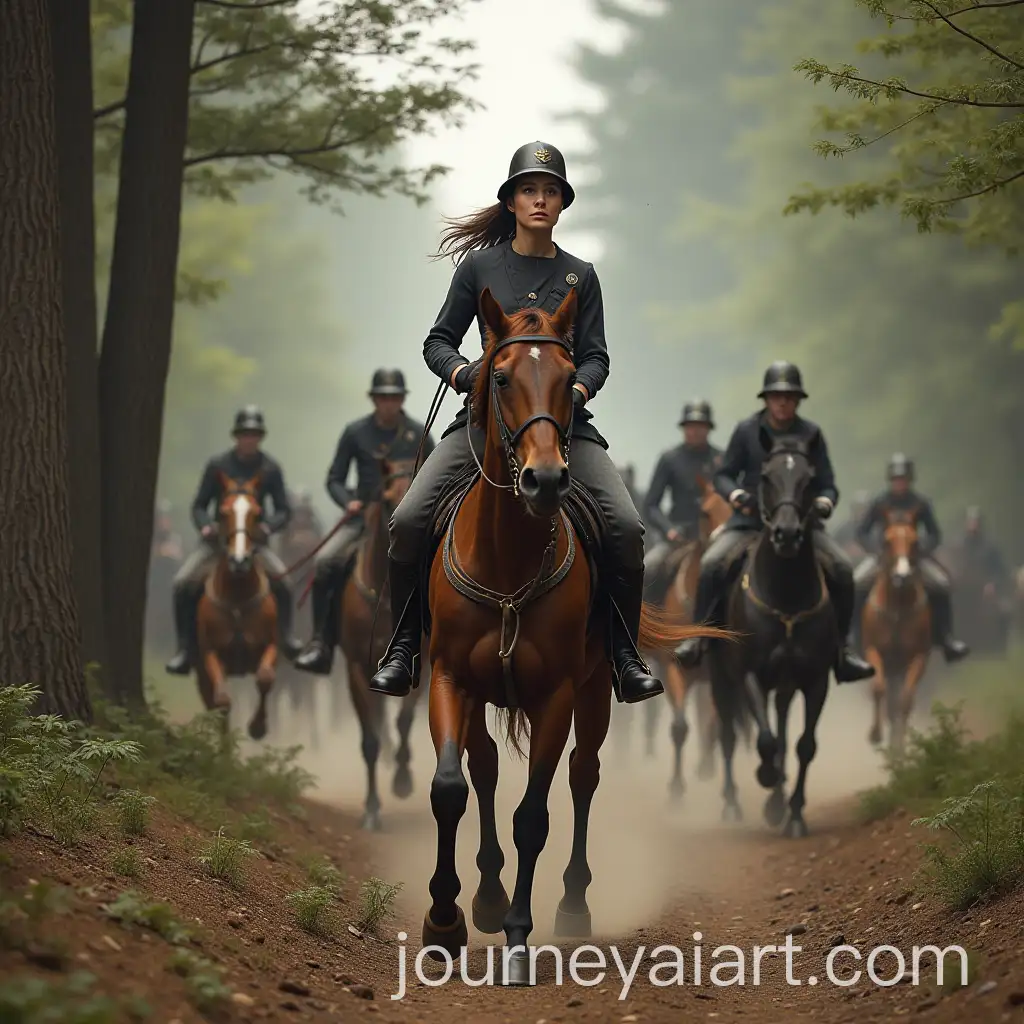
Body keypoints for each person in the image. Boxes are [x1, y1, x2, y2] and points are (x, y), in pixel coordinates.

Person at [368, 140, 662, 704]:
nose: (540, 200)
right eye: (529, 190)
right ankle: (403, 648)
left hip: (565, 429)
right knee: (406, 521)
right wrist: (465, 376)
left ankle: (624, 655)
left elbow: (597, 355)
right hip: (484, 426)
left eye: (550, 191)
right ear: (510, 200)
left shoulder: (581, 276)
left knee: (626, 527)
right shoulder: (478, 266)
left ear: (562, 203)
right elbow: (438, 342)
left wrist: (576, 389)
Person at [673, 361, 875, 683]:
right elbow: (724, 475)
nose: (782, 402)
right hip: (749, 521)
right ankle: (699, 638)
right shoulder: (746, 431)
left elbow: (828, 483)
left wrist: (825, 500)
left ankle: (843, 649)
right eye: (776, 396)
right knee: (711, 562)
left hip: (801, 525)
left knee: (842, 567)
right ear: (766, 399)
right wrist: (737, 494)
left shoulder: (811, 434)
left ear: (798, 400)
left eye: (789, 396)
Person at [293, 368, 435, 675]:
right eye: (383, 397)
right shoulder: (355, 432)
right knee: (325, 562)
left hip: (411, 519)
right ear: (374, 399)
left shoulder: (419, 434)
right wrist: (349, 501)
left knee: (442, 561)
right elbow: (334, 479)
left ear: (401, 400)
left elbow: (439, 477)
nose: (388, 403)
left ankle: (443, 640)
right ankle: (321, 643)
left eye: (394, 397)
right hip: (364, 519)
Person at [164, 405, 302, 674]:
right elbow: (200, 505)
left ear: (260, 437)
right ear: (236, 436)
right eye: (244, 434)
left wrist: (268, 527)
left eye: (253, 434)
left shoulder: (270, 468)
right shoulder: (218, 466)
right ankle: (184, 649)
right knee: (182, 583)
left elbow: (284, 509)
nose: (248, 439)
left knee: (284, 582)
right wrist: (206, 527)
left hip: (255, 543)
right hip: (218, 543)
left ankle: (286, 638)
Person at [852, 454, 969, 662]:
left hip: (914, 558)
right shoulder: (880, 502)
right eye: (896, 479)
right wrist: (876, 551)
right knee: (856, 583)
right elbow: (862, 532)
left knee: (941, 584)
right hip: (884, 557)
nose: (900, 483)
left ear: (910, 480)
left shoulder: (920, 503)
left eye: (903, 479)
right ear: (890, 480)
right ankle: (851, 639)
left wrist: (922, 549)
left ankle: (946, 639)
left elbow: (934, 533)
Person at [642, 399, 723, 602]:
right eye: (691, 426)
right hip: (678, 536)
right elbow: (651, 505)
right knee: (650, 566)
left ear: (708, 428)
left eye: (700, 426)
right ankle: (645, 625)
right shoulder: (670, 459)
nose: (695, 431)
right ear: (684, 428)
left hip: (715, 536)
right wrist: (668, 529)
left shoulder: (721, 459)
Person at [831, 489, 870, 553]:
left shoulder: (873, 529)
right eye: (858, 508)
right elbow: (834, 546)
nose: (861, 512)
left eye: (863, 508)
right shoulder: (843, 530)